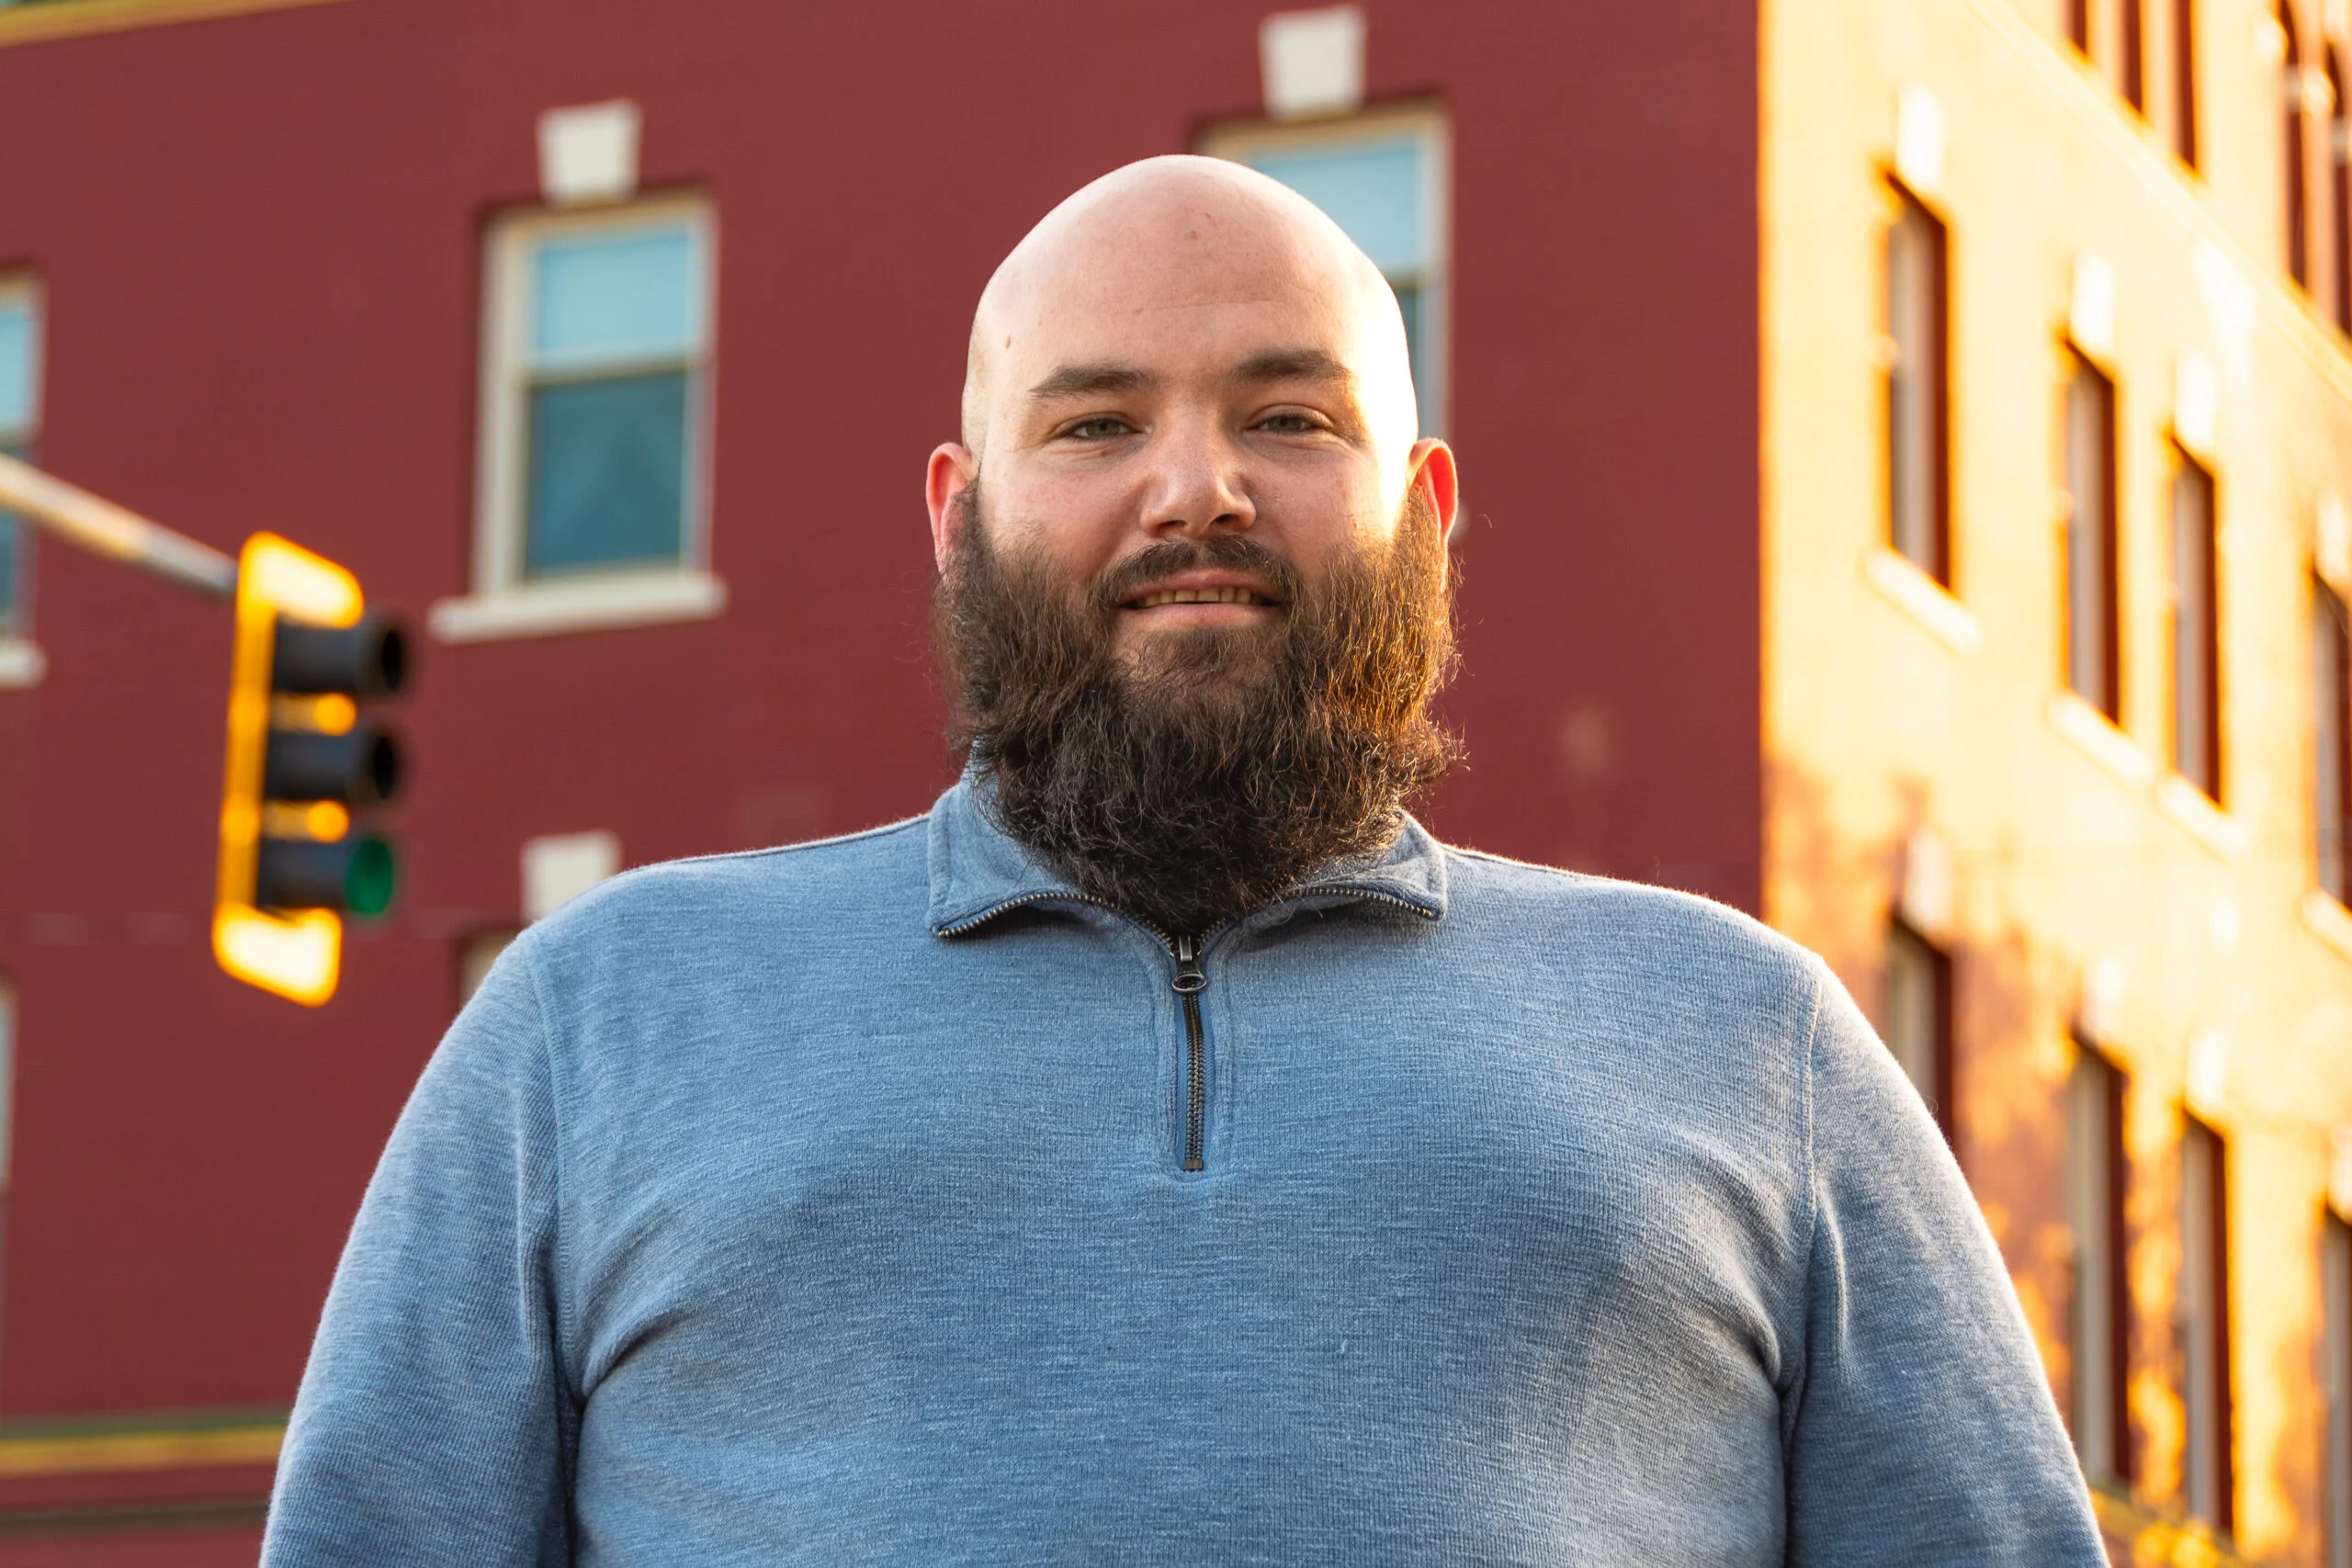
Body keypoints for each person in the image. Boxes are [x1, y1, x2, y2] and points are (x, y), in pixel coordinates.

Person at [262, 156, 2104, 1565]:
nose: (1193, 486)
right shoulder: (604, 1015)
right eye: (1095, 420)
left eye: (1287, 416)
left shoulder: (1744, 1040)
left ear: (1424, 511)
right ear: (957, 511)